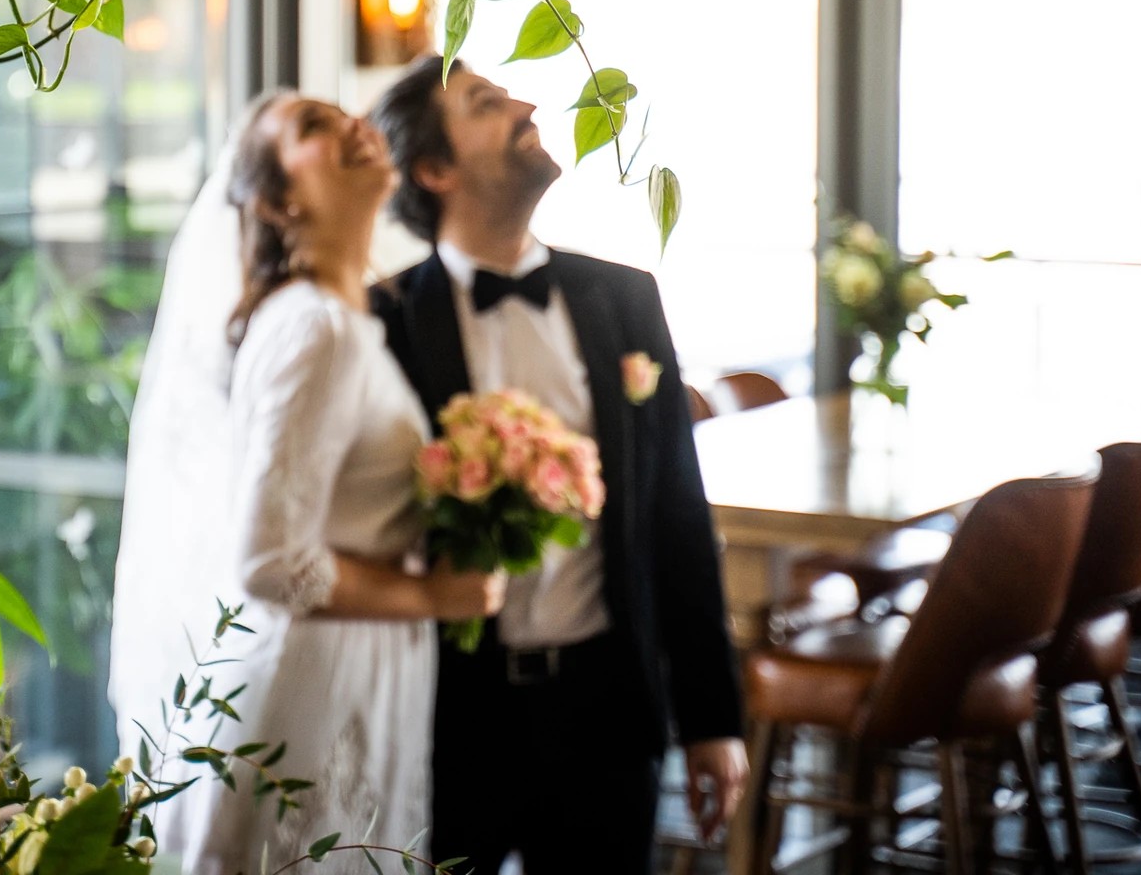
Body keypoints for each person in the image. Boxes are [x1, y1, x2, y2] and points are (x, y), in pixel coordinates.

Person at [370, 56, 748, 873]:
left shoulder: (626, 298)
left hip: (608, 707)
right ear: (435, 169)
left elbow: (678, 514)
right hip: (448, 719)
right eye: (486, 103)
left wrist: (713, 718)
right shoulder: (383, 320)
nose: (528, 104)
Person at [110, 92, 502, 874]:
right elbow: (269, 561)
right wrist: (435, 596)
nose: (354, 124)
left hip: (358, 664)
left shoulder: (341, 319)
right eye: (314, 128)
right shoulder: (314, 328)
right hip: (312, 682)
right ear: (279, 200)